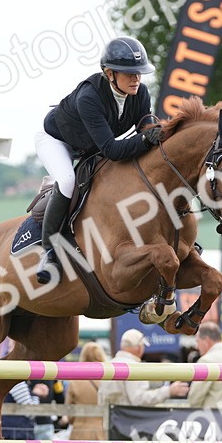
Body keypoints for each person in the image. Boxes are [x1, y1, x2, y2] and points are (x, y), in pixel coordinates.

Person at [34, 36, 162, 283]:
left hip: (90, 146)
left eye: (139, 73)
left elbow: (144, 122)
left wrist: (153, 130)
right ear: (110, 73)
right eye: (129, 73)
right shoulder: (89, 97)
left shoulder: (141, 92)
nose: (136, 78)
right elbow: (112, 150)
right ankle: (49, 250)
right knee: (68, 180)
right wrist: (147, 140)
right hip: (57, 141)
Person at [98, 329, 188, 406]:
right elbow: (139, 399)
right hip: (126, 420)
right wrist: (168, 391)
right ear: (139, 348)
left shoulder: (109, 365)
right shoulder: (135, 367)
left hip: (108, 419)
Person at [185, 322, 222, 409]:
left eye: (197, 341)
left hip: (212, 418)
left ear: (206, 340)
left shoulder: (207, 360)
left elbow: (195, 398)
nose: (196, 346)